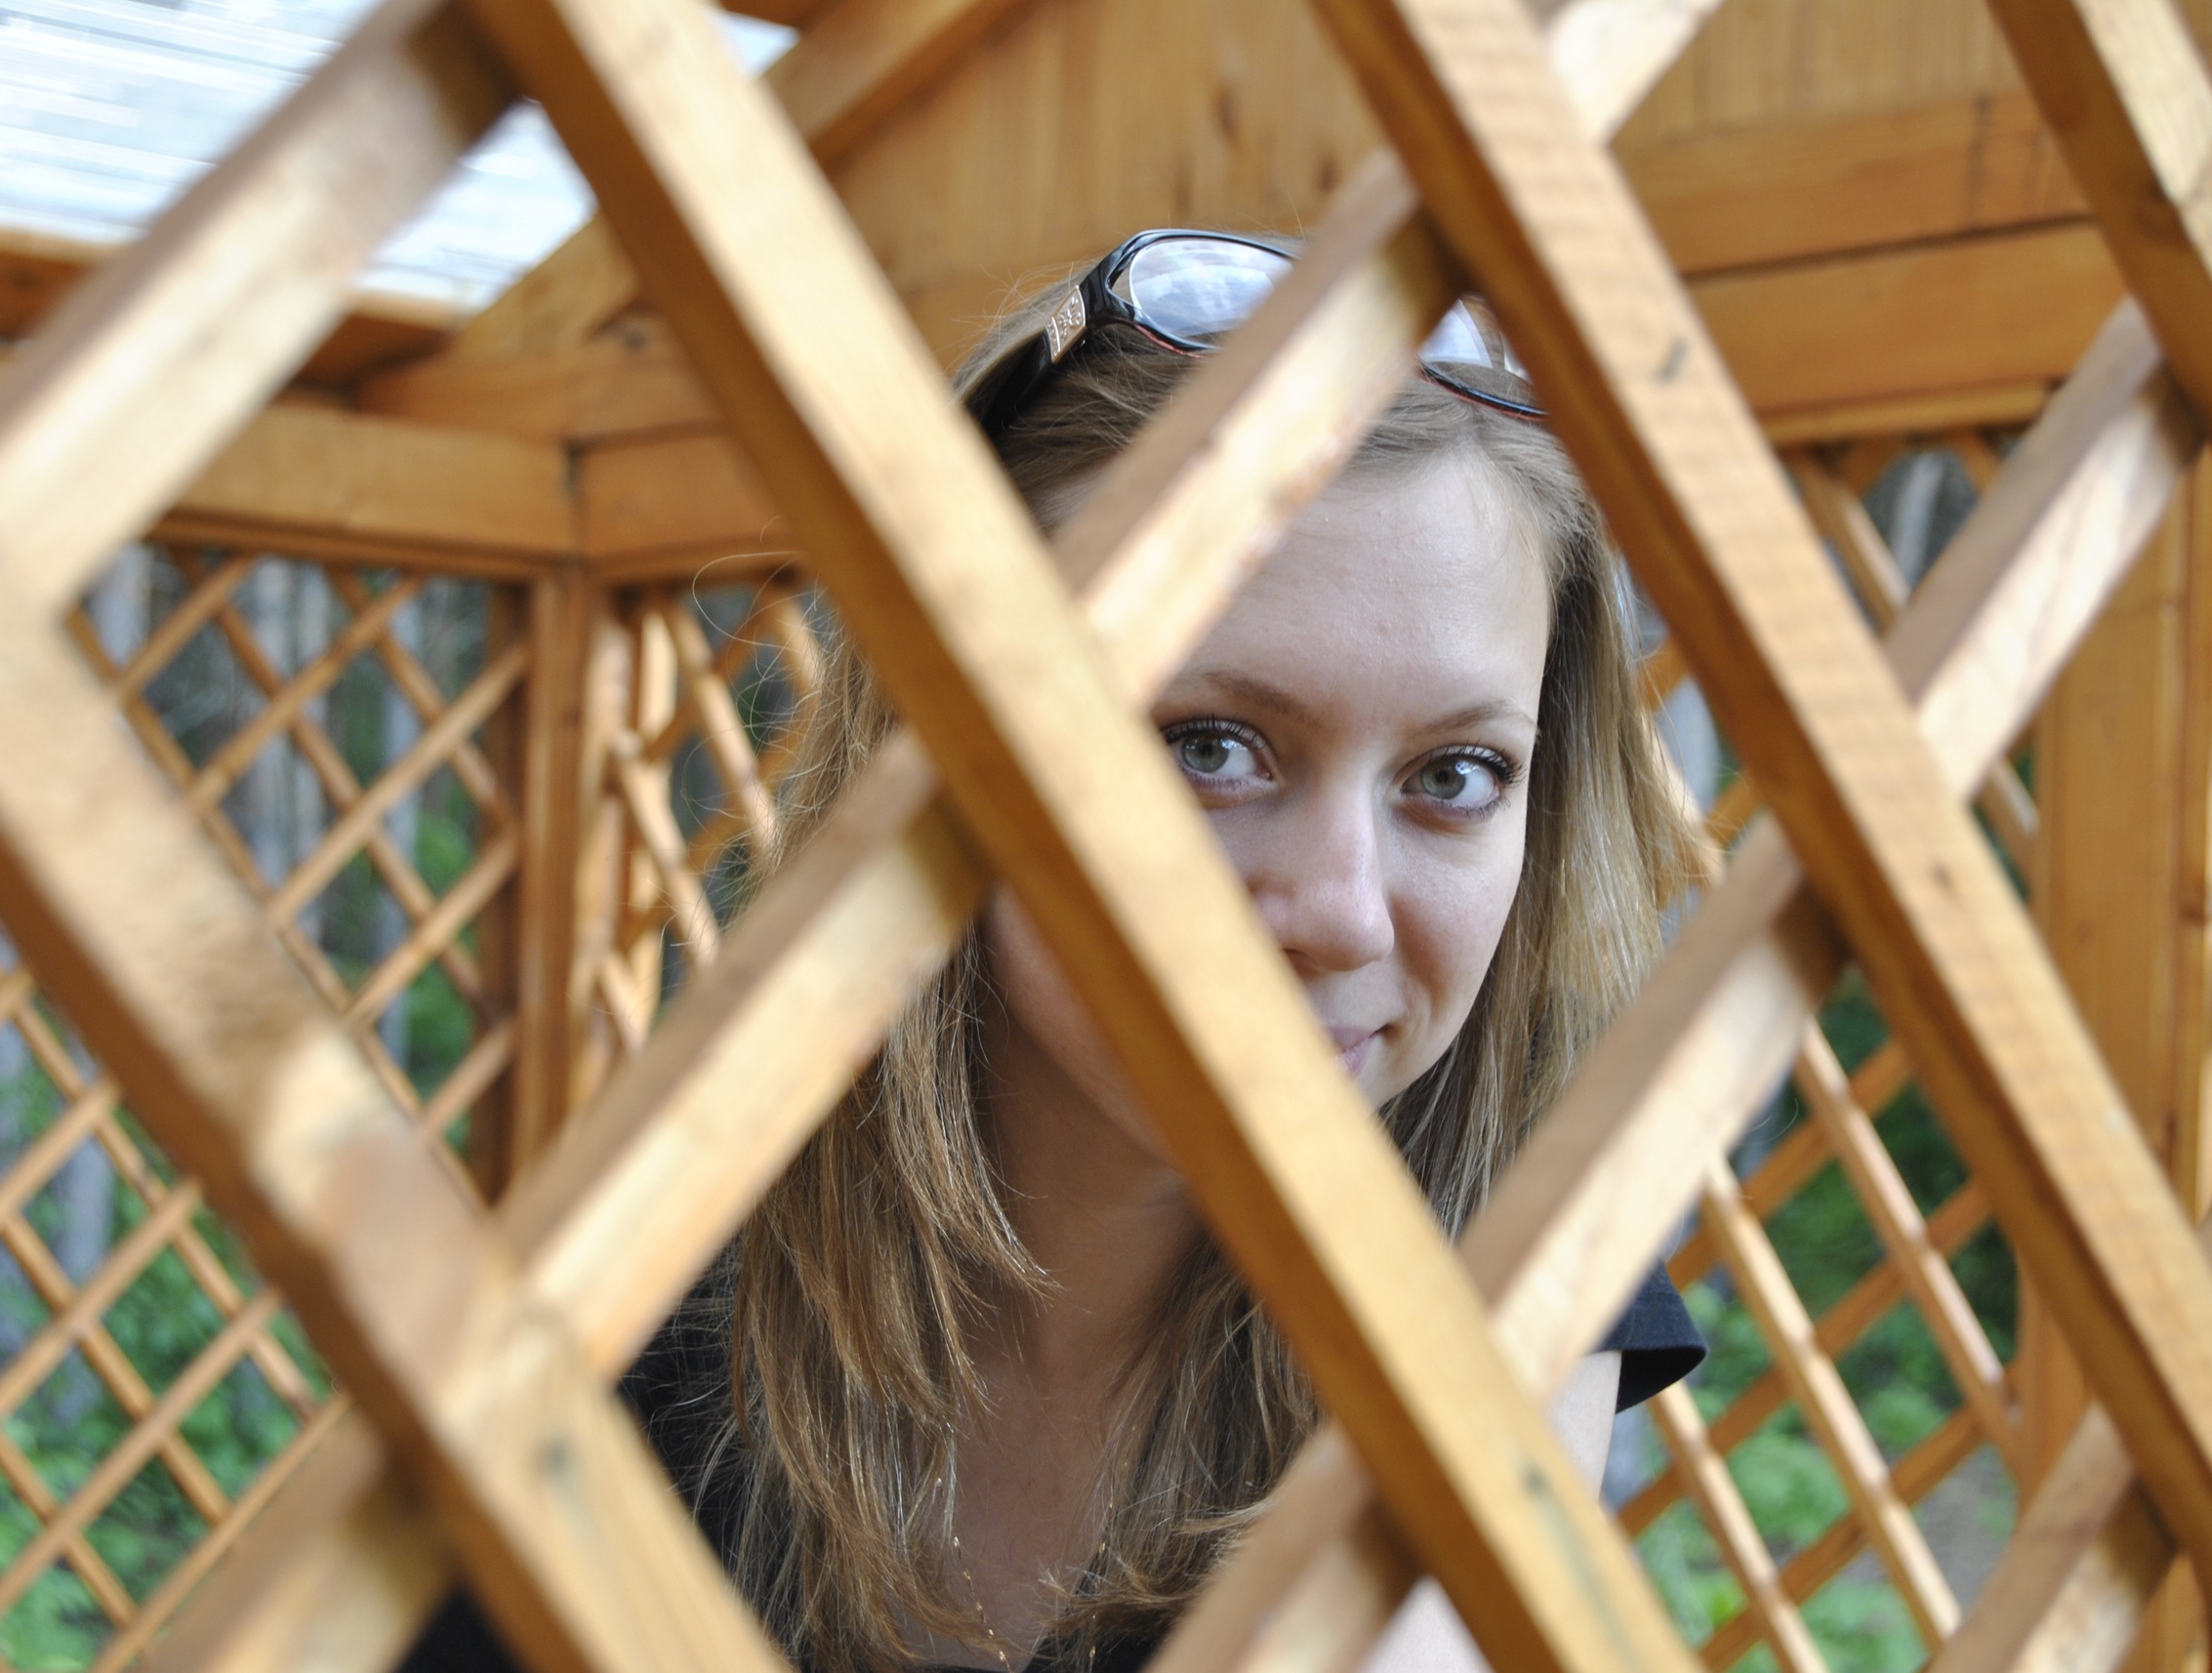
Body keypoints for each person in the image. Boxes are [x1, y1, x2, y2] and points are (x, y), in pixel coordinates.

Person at [400, 230, 1704, 1673]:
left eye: (1454, 775)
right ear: (953, 751)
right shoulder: (642, 1301)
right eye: (1211, 747)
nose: (1342, 912)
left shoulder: (1519, 1248)